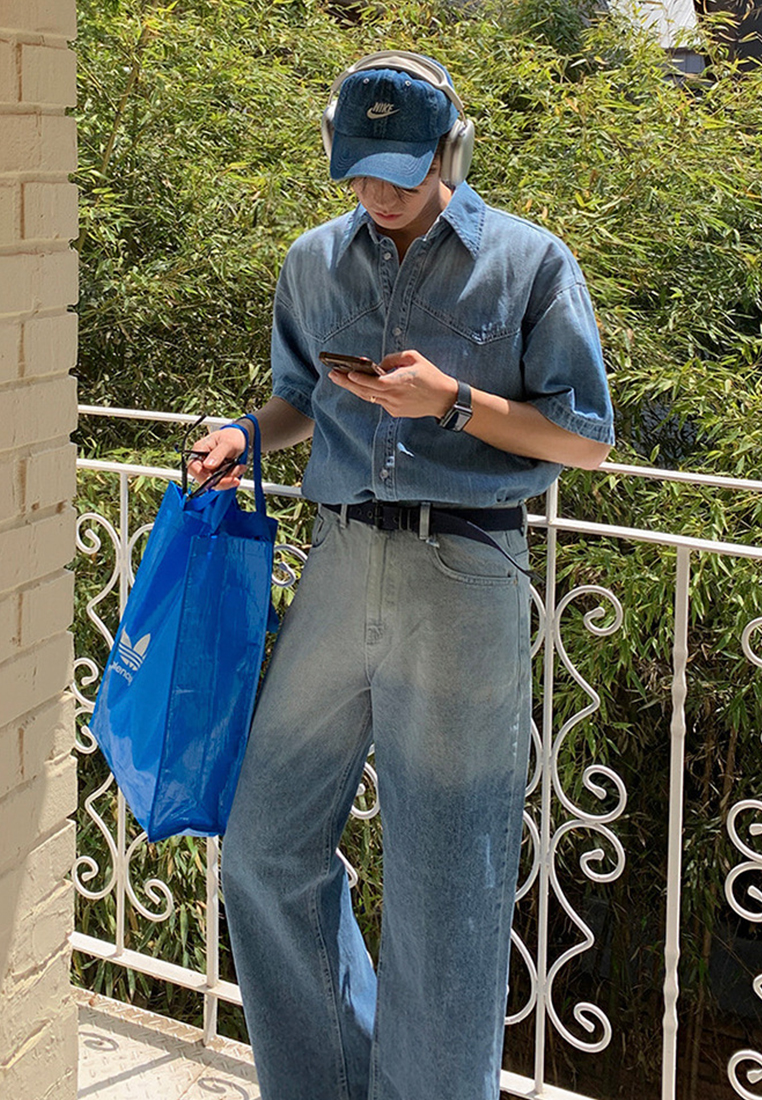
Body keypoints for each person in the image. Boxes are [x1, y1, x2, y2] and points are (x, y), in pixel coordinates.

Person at [189, 50, 614, 1100]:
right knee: (264, 850)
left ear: (450, 153)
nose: (376, 194)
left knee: (444, 891)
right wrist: (248, 431)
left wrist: (453, 402)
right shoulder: (312, 263)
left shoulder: (530, 261)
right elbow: (299, 400)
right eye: (358, 171)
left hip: (464, 573)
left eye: (399, 170)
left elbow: (586, 439)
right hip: (337, 560)